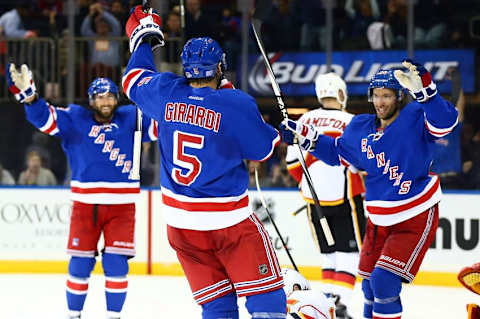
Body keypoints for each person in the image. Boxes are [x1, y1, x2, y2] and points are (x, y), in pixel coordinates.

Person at [123, 6, 286, 319]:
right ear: (221, 67)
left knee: (218, 308)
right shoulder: (235, 103)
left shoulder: (166, 92)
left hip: (181, 226)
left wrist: (143, 39)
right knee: (268, 305)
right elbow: (263, 150)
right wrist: (281, 133)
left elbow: (133, 79)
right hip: (228, 222)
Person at [280, 60, 458, 319]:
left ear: (399, 96)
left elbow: (447, 123)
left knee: (384, 283)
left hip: (414, 215)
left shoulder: (416, 116)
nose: (380, 102)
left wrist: (427, 93)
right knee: (369, 286)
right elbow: (336, 152)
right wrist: (302, 135)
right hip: (377, 220)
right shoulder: (360, 128)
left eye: (386, 95)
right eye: (376, 95)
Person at [7, 66, 158, 319]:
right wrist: (32, 98)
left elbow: (166, 123)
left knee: (116, 264)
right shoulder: (75, 119)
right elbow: (45, 118)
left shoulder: (132, 117)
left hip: (122, 207)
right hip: (85, 205)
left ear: (116, 99)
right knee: (79, 265)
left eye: (110, 96)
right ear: (91, 100)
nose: (106, 101)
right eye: (100, 96)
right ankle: (73, 315)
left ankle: (114, 317)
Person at [285, 72, 366, 319]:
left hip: (314, 201)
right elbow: (361, 164)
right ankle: (340, 305)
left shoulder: (305, 119)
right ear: (341, 93)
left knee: (328, 253)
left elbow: (293, 165)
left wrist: (313, 187)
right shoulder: (352, 121)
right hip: (346, 199)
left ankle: (329, 304)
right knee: (349, 253)